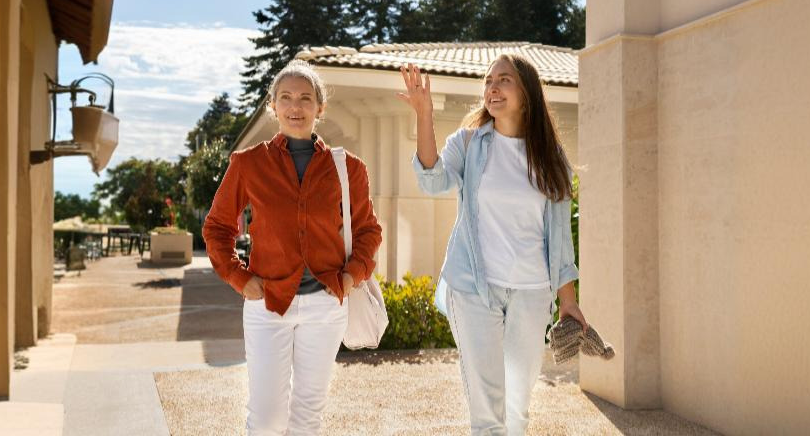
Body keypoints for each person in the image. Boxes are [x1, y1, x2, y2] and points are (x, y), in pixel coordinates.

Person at [396, 55, 587, 436]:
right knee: (489, 414)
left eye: (505, 80)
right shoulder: (469, 143)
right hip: (473, 289)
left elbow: (561, 241)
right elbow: (433, 182)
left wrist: (568, 302)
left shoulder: (552, 160)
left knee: (517, 407)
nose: (493, 87)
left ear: (527, 95)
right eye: (488, 81)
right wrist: (424, 114)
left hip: (533, 293)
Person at [204, 60, 382, 436]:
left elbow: (368, 231)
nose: (295, 107)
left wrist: (351, 277)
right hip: (268, 304)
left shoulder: (349, 168)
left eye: (305, 98)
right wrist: (240, 279)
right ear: (273, 106)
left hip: (325, 306)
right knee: (267, 419)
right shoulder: (248, 164)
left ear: (320, 107)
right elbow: (217, 228)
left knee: (307, 416)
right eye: (285, 98)